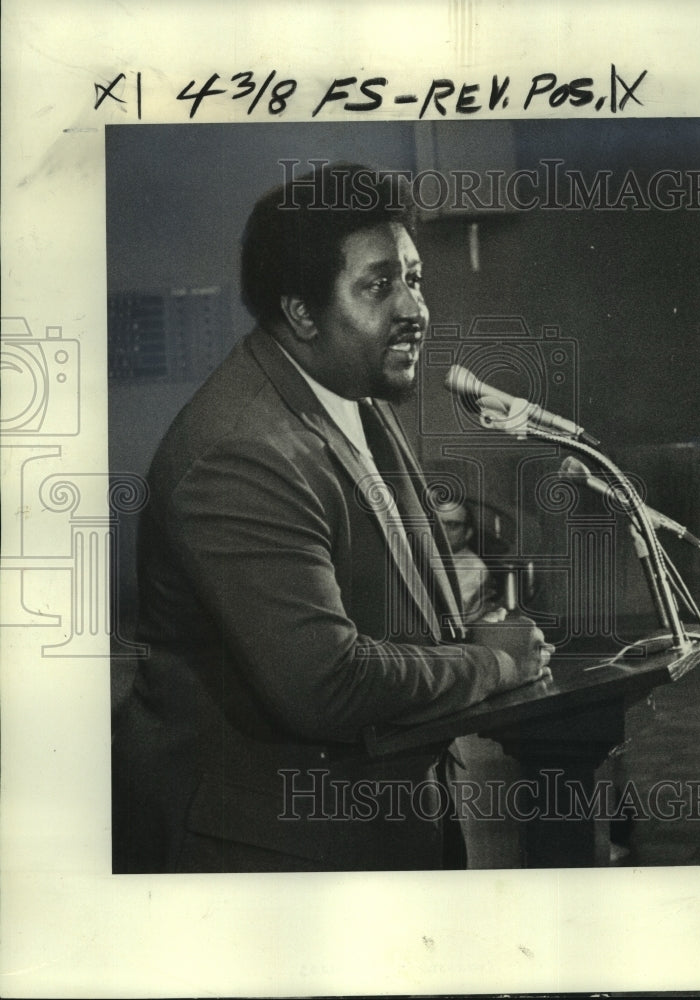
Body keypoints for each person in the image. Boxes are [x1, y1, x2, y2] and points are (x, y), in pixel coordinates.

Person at [111, 162, 553, 873]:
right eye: (379, 285)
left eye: (414, 278)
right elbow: (325, 685)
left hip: (371, 825)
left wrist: (463, 633)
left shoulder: (352, 396)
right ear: (301, 313)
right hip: (269, 854)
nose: (414, 308)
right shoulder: (242, 452)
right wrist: (490, 662)